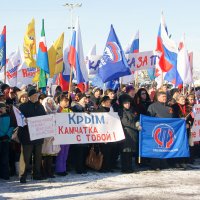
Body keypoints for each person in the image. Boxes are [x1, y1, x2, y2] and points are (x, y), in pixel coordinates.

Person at [18, 87, 46, 183]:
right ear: (29, 97)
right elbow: (20, 121)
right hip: (27, 136)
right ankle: (23, 176)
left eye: (37, 95)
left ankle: (37, 174)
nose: (36, 97)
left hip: (38, 136)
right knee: (26, 157)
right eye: (34, 95)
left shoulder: (40, 106)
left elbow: (45, 118)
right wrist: (25, 121)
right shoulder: (23, 107)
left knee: (38, 157)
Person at [147, 91, 174, 170]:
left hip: (167, 129)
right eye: (163, 97)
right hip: (156, 129)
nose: (164, 98)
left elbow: (173, 118)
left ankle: (163, 163)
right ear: (158, 97)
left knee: (165, 147)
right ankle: (155, 164)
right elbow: (149, 118)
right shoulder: (152, 106)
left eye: (165, 97)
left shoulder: (169, 107)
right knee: (156, 148)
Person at [118, 94, 139, 173]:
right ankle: (125, 167)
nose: (128, 104)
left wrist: (137, 122)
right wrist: (136, 126)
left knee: (130, 152)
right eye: (126, 103)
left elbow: (135, 118)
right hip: (126, 133)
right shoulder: (121, 111)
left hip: (132, 133)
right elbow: (125, 122)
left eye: (129, 103)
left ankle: (129, 167)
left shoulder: (132, 110)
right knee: (125, 152)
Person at [72, 93, 90, 174]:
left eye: (86, 99)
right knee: (79, 151)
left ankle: (82, 166)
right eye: (84, 99)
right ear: (80, 99)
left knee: (84, 151)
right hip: (78, 132)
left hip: (85, 132)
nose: (86, 100)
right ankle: (78, 167)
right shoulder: (76, 107)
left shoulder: (85, 107)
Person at [41, 97, 60, 178]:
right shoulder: (43, 112)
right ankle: (44, 172)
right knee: (44, 156)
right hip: (45, 137)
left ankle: (49, 172)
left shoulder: (56, 113)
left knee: (50, 156)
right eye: (49, 103)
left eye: (52, 103)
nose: (51, 104)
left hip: (53, 137)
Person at [96, 96, 114, 172]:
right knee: (103, 152)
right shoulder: (99, 110)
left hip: (109, 133)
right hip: (102, 134)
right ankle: (102, 167)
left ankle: (108, 167)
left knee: (109, 151)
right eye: (107, 102)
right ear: (103, 102)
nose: (109, 103)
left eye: (109, 102)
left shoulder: (110, 110)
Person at [55, 94, 71, 176]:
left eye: (67, 101)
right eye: (65, 101)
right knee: (61, 152)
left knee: (65, 152)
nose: (66, 103)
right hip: (60, 134)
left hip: (67, 134)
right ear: (60, 101)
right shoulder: (57, 109)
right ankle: (59, 169)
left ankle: (63, 168)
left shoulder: (68, 110)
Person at [0, 102, 14, 180]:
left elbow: (11, 127)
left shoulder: (9, 116)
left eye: (3, 108)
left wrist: (7, 135)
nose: (2, 109)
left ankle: (5, 174)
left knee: (5, 158)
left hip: (6, 140)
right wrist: (1, 135)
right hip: (1, 139)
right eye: (1, 108)